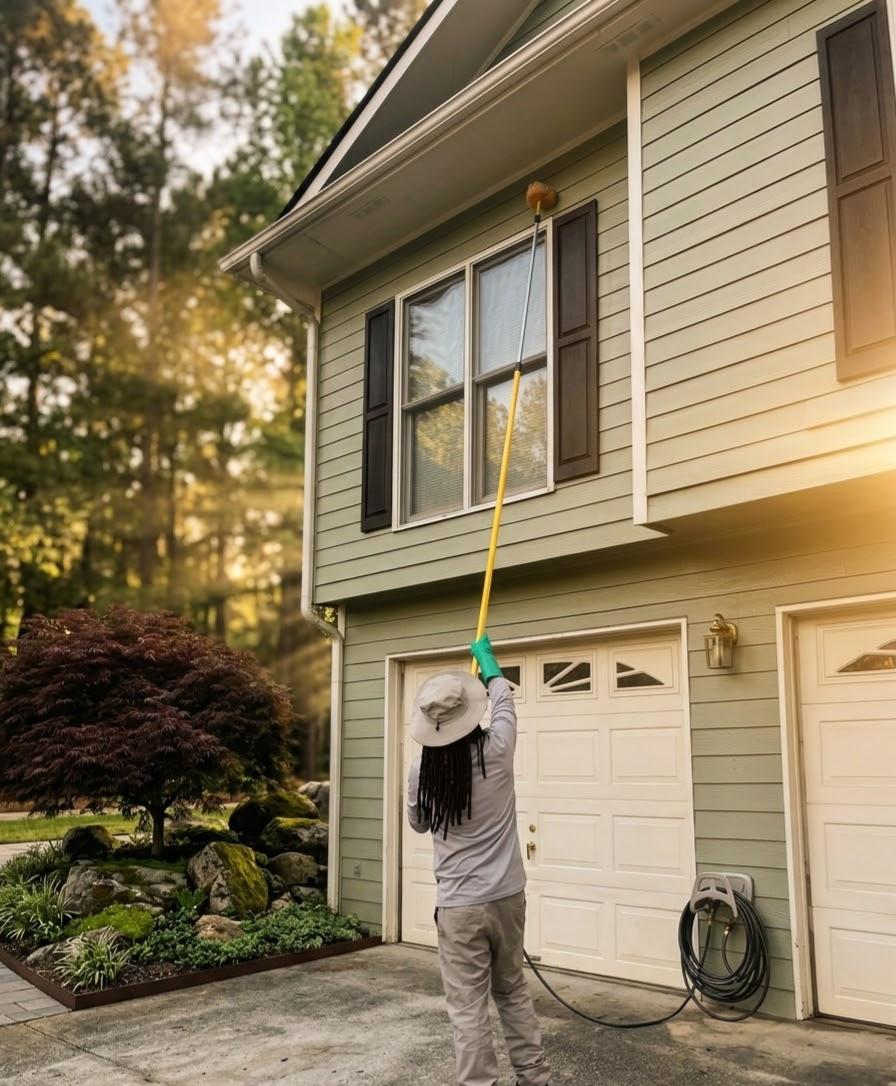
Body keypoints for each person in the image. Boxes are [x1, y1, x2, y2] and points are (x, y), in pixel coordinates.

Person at [407, 634, 551, 1086]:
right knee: (512, 990)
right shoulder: (498, 749)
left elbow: (418, 823)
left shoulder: (422, 770)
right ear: (471, 716)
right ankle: (534, 1077)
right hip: (507, 898)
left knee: (467, 1008)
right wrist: (488, 663)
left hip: (459, 907)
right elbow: (505, 700)